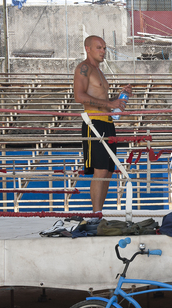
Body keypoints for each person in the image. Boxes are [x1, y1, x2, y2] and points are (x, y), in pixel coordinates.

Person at [73, 35, 132, 220]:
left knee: (108, 170)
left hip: (107, 122)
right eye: (99, 47)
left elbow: (103, 99)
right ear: (87, 48)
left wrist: (119, 97)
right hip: (94, 122)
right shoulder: (84, 68)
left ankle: (100, 213)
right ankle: (96, 213)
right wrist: (109, 103)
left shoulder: (99, 71)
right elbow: (79, 97)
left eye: (104, 48)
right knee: (99, 169)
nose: (103, 51)